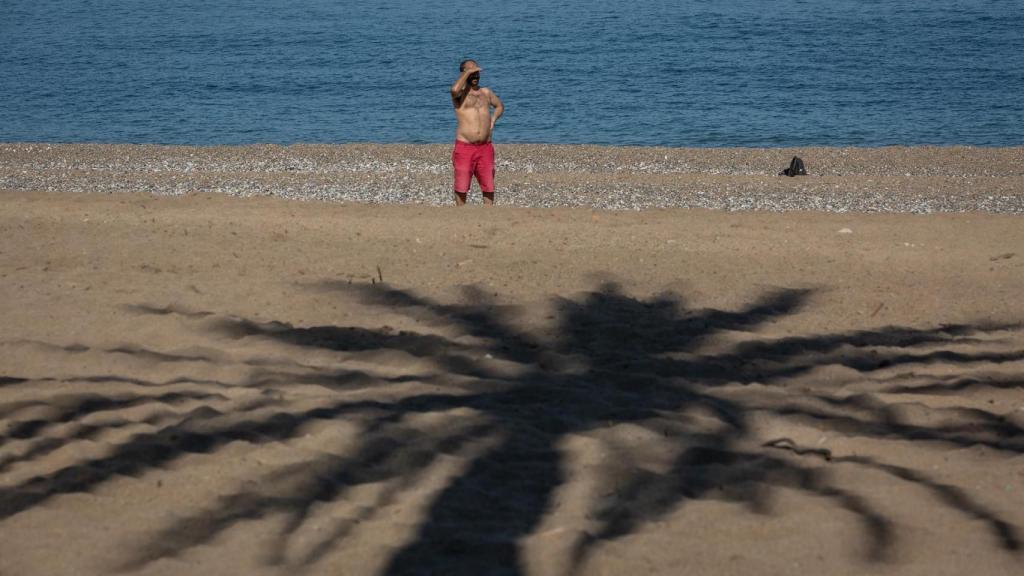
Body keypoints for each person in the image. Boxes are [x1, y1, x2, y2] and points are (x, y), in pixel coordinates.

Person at [450, 59, 504, 206]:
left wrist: (493, 119)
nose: (475, 76)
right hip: (465, 146)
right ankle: (461, 215)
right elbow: (454, 90)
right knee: (461, 186)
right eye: (472, 73)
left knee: (488, 185)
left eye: (477, 73)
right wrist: (468, 71)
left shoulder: (485, 92)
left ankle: (488, 213)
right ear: (464, 74)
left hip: (485, 147)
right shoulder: (460, 94)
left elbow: (499, 106)